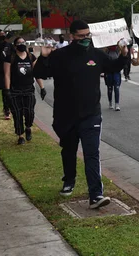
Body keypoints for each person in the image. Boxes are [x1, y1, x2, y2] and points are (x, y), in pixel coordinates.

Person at [33, 20, 128, 209]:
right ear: (72, 36)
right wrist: (43, 57)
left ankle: (96, 195)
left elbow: (113, 67)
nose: (85, 39)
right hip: (65, 115)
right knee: (68, 150)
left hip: (91, 114)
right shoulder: (60, 55)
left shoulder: (96, 54)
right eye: (81, 36)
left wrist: (124, 54)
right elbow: (39, 73)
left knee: (92, 153)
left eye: (87, 35)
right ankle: (69, 180)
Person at [4, 37, 46, 145]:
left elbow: (37, 74)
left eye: (23, 42)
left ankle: (28, 127)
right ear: (15, 45)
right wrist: (7, 90)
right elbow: (7, 75)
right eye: (19, 43)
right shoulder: (10, 58)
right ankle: (20, 135)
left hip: (28, 90)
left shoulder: (31, 57)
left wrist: (42, 88)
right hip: (15, 90)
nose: (22, 44)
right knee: (17, 113)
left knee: (29, 112)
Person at [0, 29, 14, 119]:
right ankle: (6, 109)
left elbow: (13, 55)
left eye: (4, 34)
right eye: (1, 34)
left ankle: (11, 107)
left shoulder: (9, 45)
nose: (3, 35)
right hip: (1, 71)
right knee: (5, 91)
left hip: (10, 70)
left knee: (11, 90)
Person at [103, 45, 122, 111]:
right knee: (110, 88)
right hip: (108, 71)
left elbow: (120, 49)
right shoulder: (107, 50)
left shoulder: (117, 49)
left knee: (116, 87)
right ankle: (110, 102)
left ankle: (117, 104)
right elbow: (103, 54)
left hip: (116, 71)